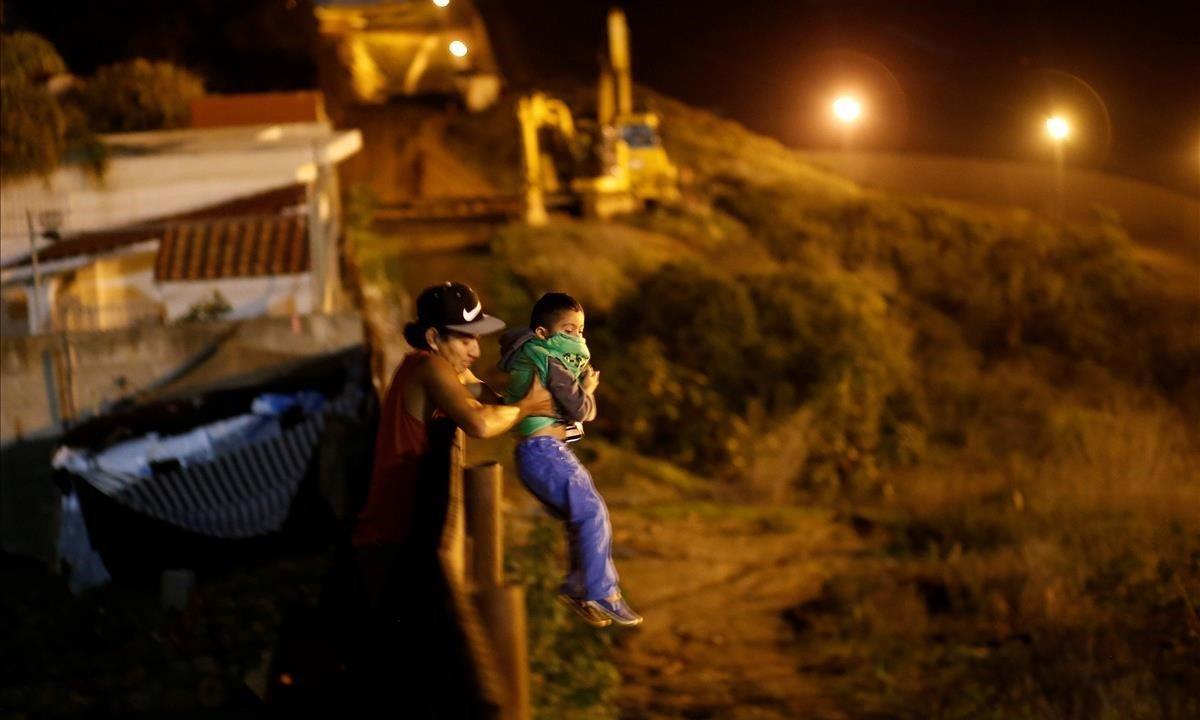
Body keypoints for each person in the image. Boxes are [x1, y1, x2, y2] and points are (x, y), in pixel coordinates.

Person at [345, 282, 554, 716]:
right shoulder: (428, 368)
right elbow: (479, 425)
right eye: (464, 337)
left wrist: (540, 396)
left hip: (395, 537)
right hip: (389, 540)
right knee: (397, 677)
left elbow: (489, 399)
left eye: (476, 336)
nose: (474, 350)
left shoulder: (438, 370)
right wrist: (530, 406)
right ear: (434, 338)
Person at [498, 292, 643, 627]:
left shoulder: (538, 358)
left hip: (547, 453)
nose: (577, 338)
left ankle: (583, 587)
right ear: (543, 334)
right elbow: (579, 409)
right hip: (544, 453)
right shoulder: (548, 360)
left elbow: (564, 403)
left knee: (585, 515)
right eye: (568, 330)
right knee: (592, 512)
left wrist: (582, 389)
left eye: (580, 331)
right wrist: (587, 396)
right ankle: (597, 590)